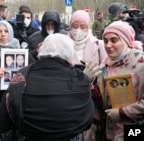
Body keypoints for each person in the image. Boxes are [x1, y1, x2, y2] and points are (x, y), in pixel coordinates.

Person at [0, 33, 94, 141]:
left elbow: (3, 124)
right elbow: (87, 121)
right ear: (70, 56)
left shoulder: (21, 76)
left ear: (42, 50)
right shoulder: (80, 79)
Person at [99, 21, 144, 141]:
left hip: (133, 130)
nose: (108, 45)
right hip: (108, 131)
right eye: (105, 41)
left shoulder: (140, 64)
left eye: (114, 40)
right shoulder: (105, 64)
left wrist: (122, 113)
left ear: (125, 41)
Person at [68, 10, 108, 141]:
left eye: (82, 26)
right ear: (70, 25)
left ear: (88, 26)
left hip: (92, 100)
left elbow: (105, 69)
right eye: (75, 26)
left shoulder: (99, 44)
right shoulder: (62, 44)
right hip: (69, 99)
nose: (78, 30)